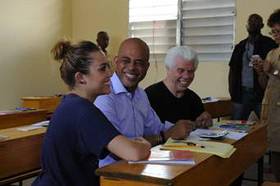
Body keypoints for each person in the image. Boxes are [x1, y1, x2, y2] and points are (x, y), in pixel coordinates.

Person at [32, 40, 151, 186]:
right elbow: (134, 153)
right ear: (80, 78)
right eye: (102, 69)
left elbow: (114, 149)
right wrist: (144, 144)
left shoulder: (72, 104)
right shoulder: (82, 111)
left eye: (108, 66)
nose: (110, 73)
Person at [94, 38, 193, 167]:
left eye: (139, 63)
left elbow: (156, 129)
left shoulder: (141, 94)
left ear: (147, 67)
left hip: (139, 166)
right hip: (111, 173)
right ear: (116, 62)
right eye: (126, 61)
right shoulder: (104, 95)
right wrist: (165, 136)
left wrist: (188, 126)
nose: (132, 67)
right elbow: (118, 150)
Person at [145, 46, 212, 128]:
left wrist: (205, 121)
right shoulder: (150, 96)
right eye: (181, 70)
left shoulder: (193, 98)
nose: (186, 76)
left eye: (190, 71)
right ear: (168, 68)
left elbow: (202, 125)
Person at [228, 14, 277, 120]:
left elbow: (273, 69)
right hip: (241, 94)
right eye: (251, 23)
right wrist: (232, 92)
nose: (253, 25)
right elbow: (232, 70)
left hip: (261, 94)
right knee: (236, 126)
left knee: (266, 125)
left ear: (262, 25)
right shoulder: (240, 47)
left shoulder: (270, 44)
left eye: (256, 22)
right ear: (247, 26)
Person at [261, 9, 280, 181]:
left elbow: (275, 73)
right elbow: (265, 84)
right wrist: (261, 70)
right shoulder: (272, 53)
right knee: (275, 152)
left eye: (278, 32)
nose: (275, 35)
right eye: (273, 32)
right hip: (273, 111)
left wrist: (273, 70)